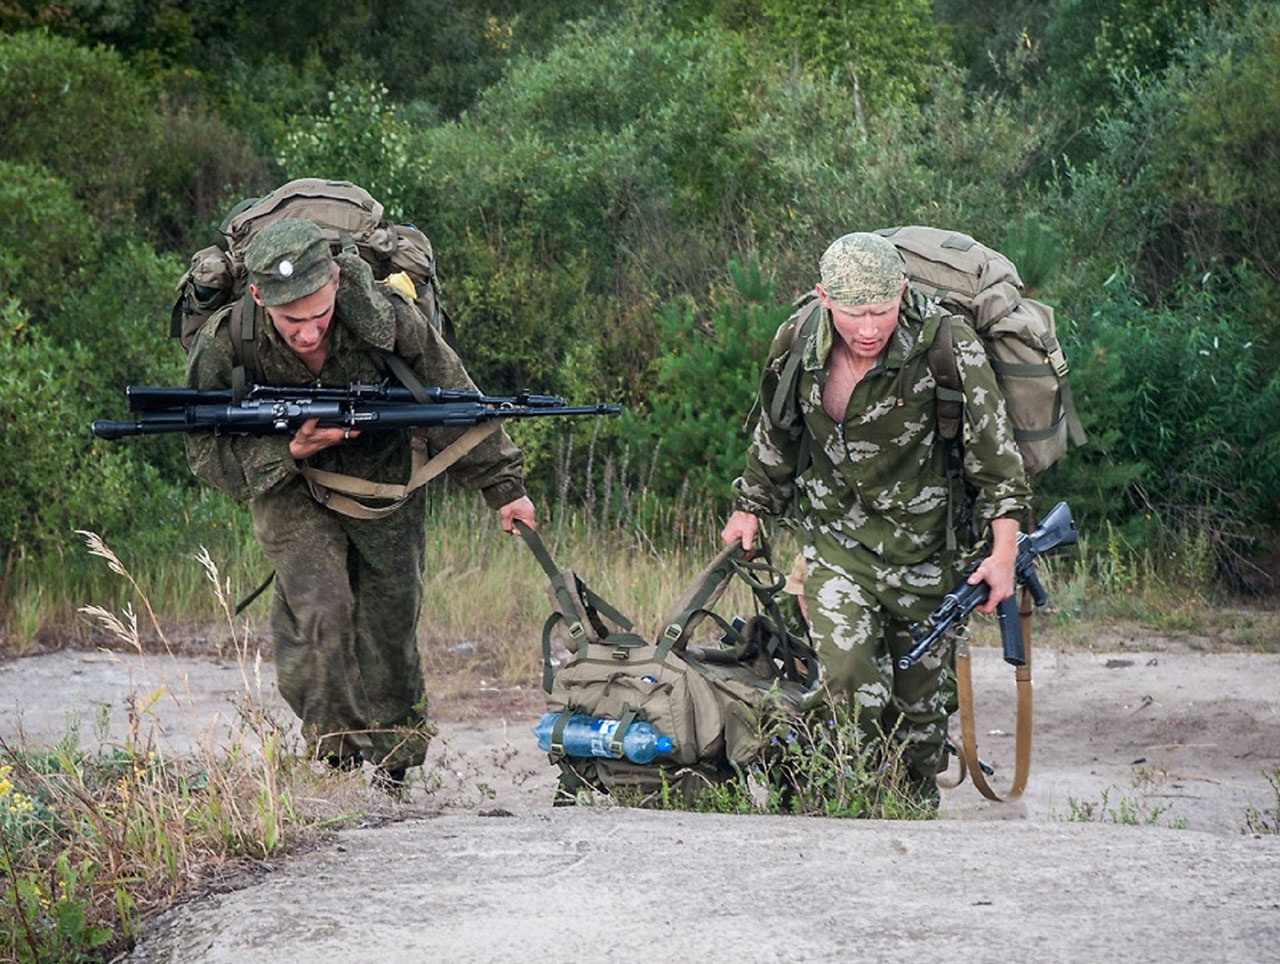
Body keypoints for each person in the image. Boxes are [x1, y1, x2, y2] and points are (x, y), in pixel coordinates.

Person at [185, 218, 536, 793]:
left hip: (383, 477)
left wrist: (505, 487)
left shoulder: (386, 317)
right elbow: (201, 449)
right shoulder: (228, 340)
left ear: (338, 282)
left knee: (391, 618)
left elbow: (452, 396)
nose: (306, 333)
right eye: (290, 320)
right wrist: (287, 450)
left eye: (319, 315)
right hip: (290, 486)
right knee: (320, 608)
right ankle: (334, 757)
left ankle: (397, 760)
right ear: (257, 296)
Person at [721, 231, 1031, 806]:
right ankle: (826, 795)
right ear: (822, 298)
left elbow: (998, 463)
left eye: (882, 311)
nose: (868, 328)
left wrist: (1003, 555)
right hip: (838, 544)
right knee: (848, 680)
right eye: (854, 314)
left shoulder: (947, 344)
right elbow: (777, 431)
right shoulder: (798, 341)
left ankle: (909, 821)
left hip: (928, 557)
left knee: (918, 726)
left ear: (903, 292)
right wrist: (750, 507)